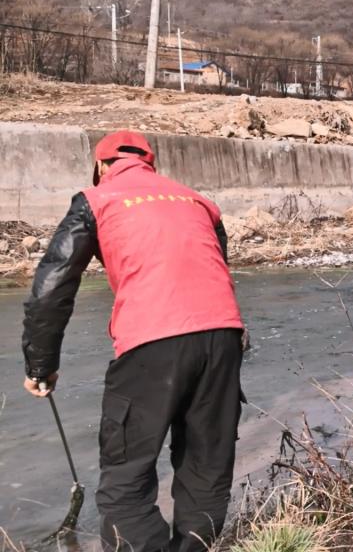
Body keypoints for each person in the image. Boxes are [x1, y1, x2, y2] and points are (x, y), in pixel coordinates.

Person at [22, 131, 246, 552]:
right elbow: (218, 269)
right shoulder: (197, 201)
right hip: (223, 338)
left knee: (125, 483)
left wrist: (40, 364)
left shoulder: (95, 200)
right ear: (149, 164)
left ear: (101, 166)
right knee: (206, 471)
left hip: (151, 342)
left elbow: (52, 287)